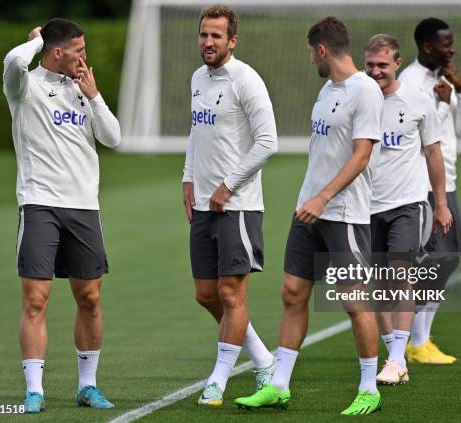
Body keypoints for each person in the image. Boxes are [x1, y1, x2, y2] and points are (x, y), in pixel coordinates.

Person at [234, 17, 384, 416]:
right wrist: (310, 200)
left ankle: (370, 387)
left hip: (345, 213)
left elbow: (362, 154)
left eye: (309, 52)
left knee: (354, 301)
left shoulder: (366, 91)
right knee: (292, 294)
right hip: (309, 211)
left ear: (321, 49)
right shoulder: (326, 89)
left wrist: (324, 198)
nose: (309, 59)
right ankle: (279, 385)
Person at [3, 18, 120, 413]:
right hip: (39, 203)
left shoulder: (83, 90)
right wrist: (34, 42)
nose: (84, 58)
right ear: (57, 53)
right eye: (79, 51)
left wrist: (95, 95)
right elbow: (12, 61)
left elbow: (113, 138)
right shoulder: (25, 86)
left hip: (84, 207)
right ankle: (34, 389)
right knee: (36, 299)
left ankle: (88, 386)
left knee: (89, 297)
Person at [182, 4, 278, 406]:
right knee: (207, 295)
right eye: (204, 34)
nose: (208, 42)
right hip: (203, 204)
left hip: (237, 207)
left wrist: (228, 185)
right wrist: (188, 176)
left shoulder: (246, 80)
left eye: (216, 35)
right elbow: (196, 131)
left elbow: (268, 142)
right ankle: (263, 359)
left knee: (232, 293)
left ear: (232, 40)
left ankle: (218, 380)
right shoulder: (198, 79)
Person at [364, 34, 452, 384]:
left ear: (397, 63)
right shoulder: (358, 99)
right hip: (365, 207)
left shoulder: (417, 101)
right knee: (378, 285)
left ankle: (399, 357)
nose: (375, 72)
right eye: (370, 64)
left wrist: (441, 204)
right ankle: (393, 356)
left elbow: (433, 153)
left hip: (407, 203)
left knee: (401, 275)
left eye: (382, 65)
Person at [398, 17, 461, 364]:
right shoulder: (410, 82)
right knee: (432, 262)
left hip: (447, 182)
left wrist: (460, 93)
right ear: (427, 46)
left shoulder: (443, 79)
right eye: (446, 43)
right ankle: (417, 342)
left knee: (449, 259)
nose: (452, 48)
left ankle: (419, 340)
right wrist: (440, 104)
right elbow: (416, 140)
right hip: (425, 186)